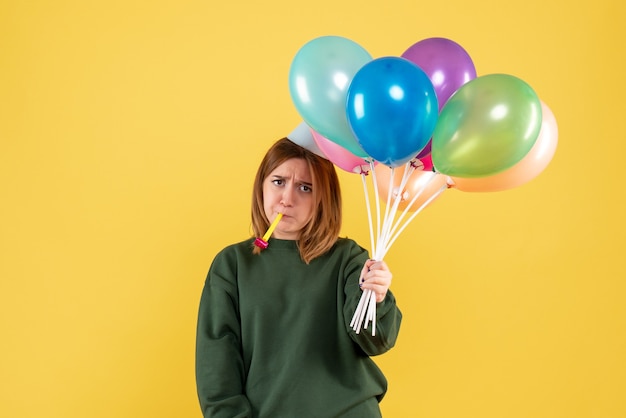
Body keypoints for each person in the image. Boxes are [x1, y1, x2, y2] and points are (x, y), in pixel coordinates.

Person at [195, 137, 402, 418]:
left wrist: (376, 297)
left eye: (305, 188)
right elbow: (216, 364)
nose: (287, 199)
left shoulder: (349, 258)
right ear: (261, 186)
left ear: (323, 199)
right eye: (278, 182)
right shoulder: (232, 265)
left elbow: (375, 341)